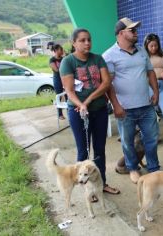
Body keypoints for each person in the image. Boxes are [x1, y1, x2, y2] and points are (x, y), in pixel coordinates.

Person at [59, 28, 120, 195]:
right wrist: (81, 104)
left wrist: (88, 100)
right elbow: (69, 91)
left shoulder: (98, 59)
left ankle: (102, 184)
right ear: (74, 43)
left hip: (99, 110)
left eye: (89, 39)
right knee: (83, 151)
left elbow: (106, 83)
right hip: (78, 113)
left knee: (100, 149)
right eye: (82, 40)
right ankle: (88, 190)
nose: (87, 43)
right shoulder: (68, 62)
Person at [103, 17, 160, 184]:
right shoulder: (109, 56)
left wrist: (156, 92)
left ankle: (154, 168)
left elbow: (150, 73)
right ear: (121, 33)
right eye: (132, 30)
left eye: (136, 30)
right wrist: (116, 105)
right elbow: (108, 84)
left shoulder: (142, 51)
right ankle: (132, 168)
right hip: (125, 108)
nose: (136, 33)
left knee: (151, 139)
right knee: (127, 142)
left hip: (146, 105)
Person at [49, 44, 65, 120]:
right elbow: (56, 70)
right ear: (55, 51)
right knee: (59, 96)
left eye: (62, 49)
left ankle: (69, 111)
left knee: (68, 95)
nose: (62, 51)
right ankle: (60, 114)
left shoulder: (64, 59)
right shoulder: (52, 60)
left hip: (65, 79)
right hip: (58, 80)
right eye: (60, 49)